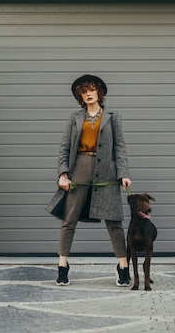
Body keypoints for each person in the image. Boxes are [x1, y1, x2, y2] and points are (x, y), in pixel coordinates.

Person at [46, 74, 132, 287]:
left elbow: (119, 147)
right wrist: (63, 174)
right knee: (69, 219)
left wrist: (123, 173)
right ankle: (62, 266)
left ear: (99, 93)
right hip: (80, 169)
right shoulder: (74, 118)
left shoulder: (113, 117)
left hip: (107, 172)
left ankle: (123, 267)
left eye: (91, 90)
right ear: (80, 97)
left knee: (114, 221)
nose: (88, 94)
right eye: (84, 92)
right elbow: (64, 148)